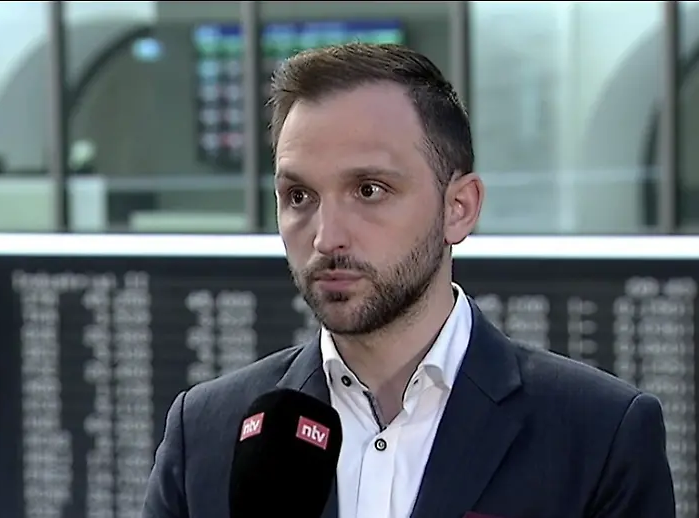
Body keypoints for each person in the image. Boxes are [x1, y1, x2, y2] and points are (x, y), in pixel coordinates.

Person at [141, 43, 676, 518]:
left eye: (369, 190)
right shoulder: (205, 434)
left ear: (459, 208)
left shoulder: (600, 435)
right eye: (299, 196)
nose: (326, 237)